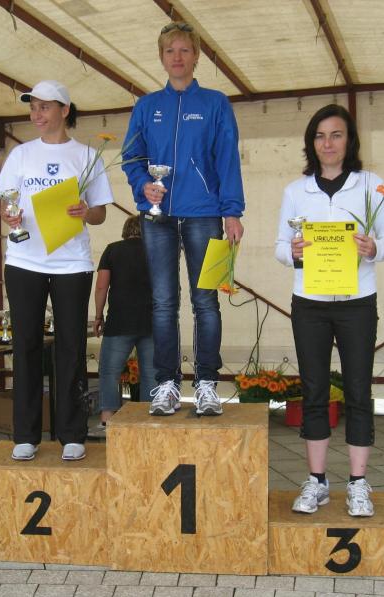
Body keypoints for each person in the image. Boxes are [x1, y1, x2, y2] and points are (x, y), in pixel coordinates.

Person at [275, 104, 384, 517]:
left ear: (350, 140)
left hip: (357, 304)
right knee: (313, 391)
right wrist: (293, 252)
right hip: (309, 303)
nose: (327, 143)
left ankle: (358, 484)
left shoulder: (372, 186)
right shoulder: (296, 191)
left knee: (358, 390)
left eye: (336, 134)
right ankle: (317, 481)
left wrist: (374, 247)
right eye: (320, 136)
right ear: (311, 143)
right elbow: (279, 247)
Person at [122, 22, 245, 417]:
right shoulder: (146, 107)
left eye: (184, 50)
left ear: (196, 56)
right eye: (169, 50)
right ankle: (167, 385)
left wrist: (232, 211)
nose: (177, 57)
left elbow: (227, 159)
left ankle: (206, 383)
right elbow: (132, 158)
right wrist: (143, 186)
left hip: (205, 214)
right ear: (161, 57)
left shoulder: (215, 103)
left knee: (206, 300)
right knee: (162, 303)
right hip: (156, 217)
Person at [0, 80, 113, 462]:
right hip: (24, 261)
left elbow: (100, 212)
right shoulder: (20, 155)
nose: (37, 115)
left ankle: (72, 434)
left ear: (64, 110)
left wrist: (86, 211)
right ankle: (25, 435)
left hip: (72, 264)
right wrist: (9, 216)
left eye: (44, 107)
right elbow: (6, 205)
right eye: (33, 108)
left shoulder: (87, 156)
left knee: (71, 347)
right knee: (26, 345)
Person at [91, 215, 157, 438]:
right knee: (150, 373)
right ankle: (148, 419)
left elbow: (102, 287)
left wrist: (98, 316)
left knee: (109, 371)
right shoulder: (155, 250)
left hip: (119, 320)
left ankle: (107, 419)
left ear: (125, 230)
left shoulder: (112, 250)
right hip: (151, 320)